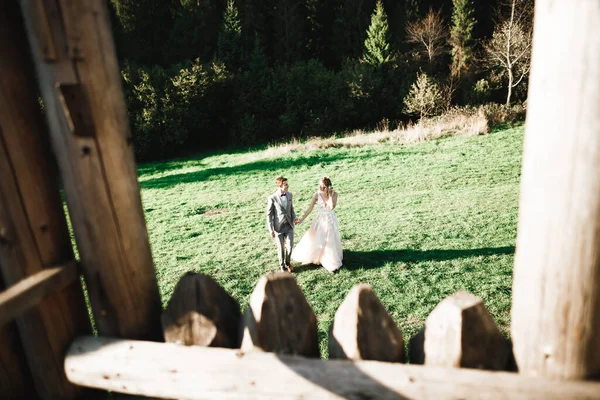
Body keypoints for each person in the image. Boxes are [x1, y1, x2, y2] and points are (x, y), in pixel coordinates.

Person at [293, 177, 343, 273]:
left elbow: (331, 207)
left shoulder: (334, 194)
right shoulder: (316, 195)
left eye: (322, 185)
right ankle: (315, 255)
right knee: (317, 238)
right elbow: (310, 208)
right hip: (320, 219)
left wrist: (330, 195)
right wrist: (302, 219)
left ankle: (328, 260)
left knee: (329, 240)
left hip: (330, 219)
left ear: (327, 186)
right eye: (319, 184)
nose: (320, 187)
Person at [266, 176, 299, 272]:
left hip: (289, 225)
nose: (288, 186)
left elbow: (291, 209)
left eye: (287, 184)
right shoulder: (272, 198)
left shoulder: (289, 195)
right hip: (278, 227)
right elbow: (269, 214)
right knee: (280, 248)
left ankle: (288, 263)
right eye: (285, 185)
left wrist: (294, 217)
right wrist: (271, 229)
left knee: (290, 246)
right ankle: (282, 266)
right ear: (279, 186)